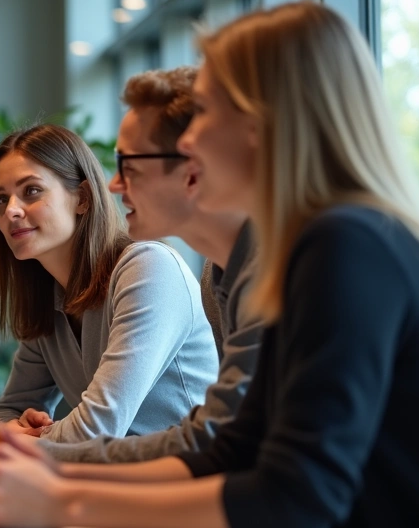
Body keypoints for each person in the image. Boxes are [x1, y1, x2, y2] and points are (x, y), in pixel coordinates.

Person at [0, 1, 419, 528]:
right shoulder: (307, 247)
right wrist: (52, 473)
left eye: (204, 111)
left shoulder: (346, 244)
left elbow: (292, 496)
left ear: (259, 123)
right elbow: (233, 449)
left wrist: (59, 497)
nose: (193, 139)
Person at [37, 67, 261, 463]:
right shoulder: (220, 273)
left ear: (194, 167)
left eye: (130, 165)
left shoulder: (284, 268)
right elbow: (217, 437)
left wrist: (51, 478)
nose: (114, 184)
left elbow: (258, 465)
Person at [0, 124, 217, 444]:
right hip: (107, 483)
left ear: (83, 198)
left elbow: (97, 428)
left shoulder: (149, 268)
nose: (11, 211)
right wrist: (7, 431)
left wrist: (18, 443)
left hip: (188, 481)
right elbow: (4, 415)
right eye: (1, 199)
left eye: (31, 191)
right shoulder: (49, 298)